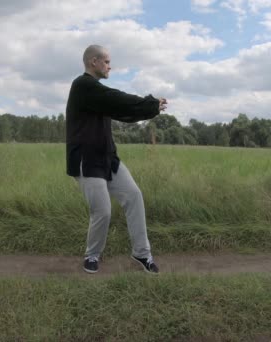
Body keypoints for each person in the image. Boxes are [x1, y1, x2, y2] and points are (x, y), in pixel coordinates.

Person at [65, 44, 167, 274]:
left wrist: (151, 109)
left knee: (134, 196)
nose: (111, 66)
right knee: (103, 211)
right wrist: (149, 103)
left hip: (107, 158)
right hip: (87, 160)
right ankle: (92, 255)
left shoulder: (97, 93)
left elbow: (122, 110)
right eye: (107, 62)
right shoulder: (83, 85)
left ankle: (142, 254)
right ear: (94, 62)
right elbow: (117, 98)